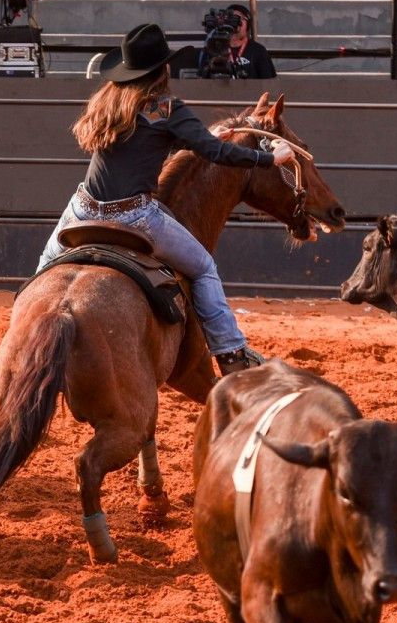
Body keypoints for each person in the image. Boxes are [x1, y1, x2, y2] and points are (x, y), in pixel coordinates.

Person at [36, 23, 295, 375]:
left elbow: (144, 143)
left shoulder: (107, 103)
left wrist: (203, 135)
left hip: (82, 210)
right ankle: (231, 351)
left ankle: (30, 334)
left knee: (45, 269)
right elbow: (216, 153)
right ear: (163, 68)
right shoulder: (166, 107)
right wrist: (270, 159)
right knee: (203, 267)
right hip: (134, 216)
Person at [198, 4, 276, 80]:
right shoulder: (213, 48)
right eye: (230, 19)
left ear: (248, 24)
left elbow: (268, 82)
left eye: (239, 18)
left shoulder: (258, 50)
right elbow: (201, 79)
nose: (235, 24)